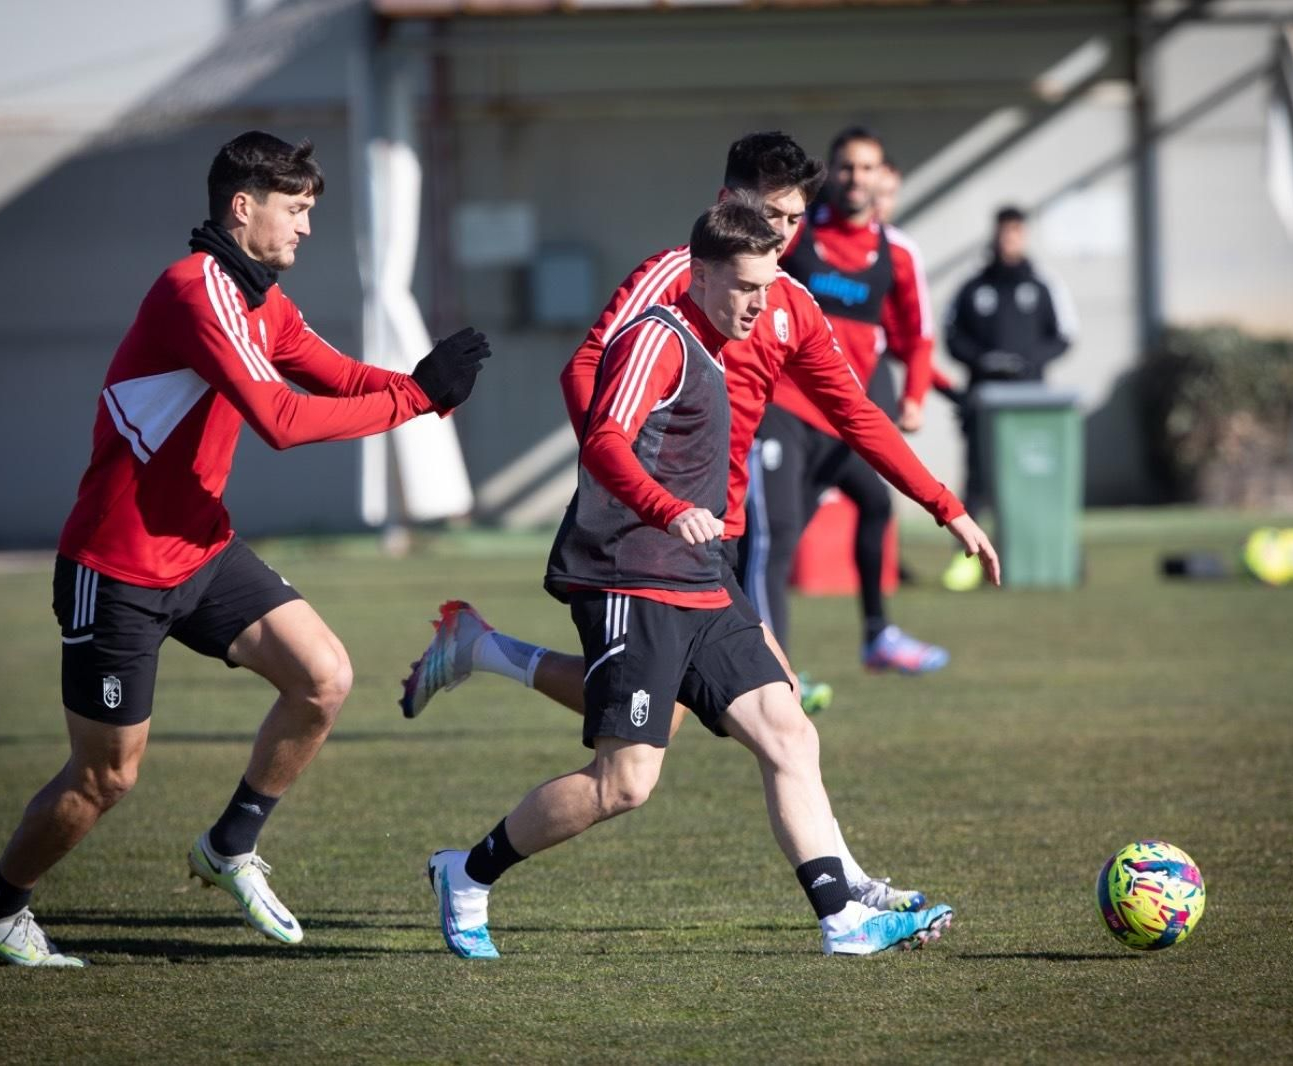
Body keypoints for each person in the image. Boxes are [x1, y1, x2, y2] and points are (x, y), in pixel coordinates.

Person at [403, 131, 998, 916]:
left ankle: (844, 901)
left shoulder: (787, 303)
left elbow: (856, 413)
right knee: (635, 767)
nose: (786, 233)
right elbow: (583, 370)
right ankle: (470, 862)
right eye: (772, 214)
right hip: (639, 548)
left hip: (707, 541)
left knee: (767, 722)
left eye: (795, 218)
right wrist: (635, 489)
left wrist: (946, 506)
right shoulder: (671, 282)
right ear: (727, 207)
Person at [0, 131, 493, 967]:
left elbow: (335, 375)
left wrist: (422, 388)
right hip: (116, 566)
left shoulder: (259, 297)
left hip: (201, 550)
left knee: (324, 677)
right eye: (297, 209)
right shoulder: (194, 291)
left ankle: (228, 846)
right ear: (243, 208)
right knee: (106, 779)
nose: (307, 228)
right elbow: (279, 420)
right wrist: (415, 399)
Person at [743, 127, 955, 674]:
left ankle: (877, 636)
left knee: (877, 505)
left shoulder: (898, 251)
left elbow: (919, 334)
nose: (855, 178)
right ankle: (772, 670)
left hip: (846, 415)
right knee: (777, 538)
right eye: (845, 167)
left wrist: (913, 397)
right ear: (829, 174)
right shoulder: (796, 235)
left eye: (866, 168)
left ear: (883, 177)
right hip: (786, 409)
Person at [942, 205, 1077, 519]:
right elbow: (951, 335)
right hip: (983, 397)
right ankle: (967, 559)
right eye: (1004, 232)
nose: (1009, 240)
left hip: (1029, 400)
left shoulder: (1044, 284)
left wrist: (1027, 363)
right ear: (995, 234)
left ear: (1024, 236)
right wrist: (982, 361)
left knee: (1031, 473)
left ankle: (1033, 549)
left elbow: (1065, 334)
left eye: (1015, 232)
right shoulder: (973, 285)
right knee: (978, 476)